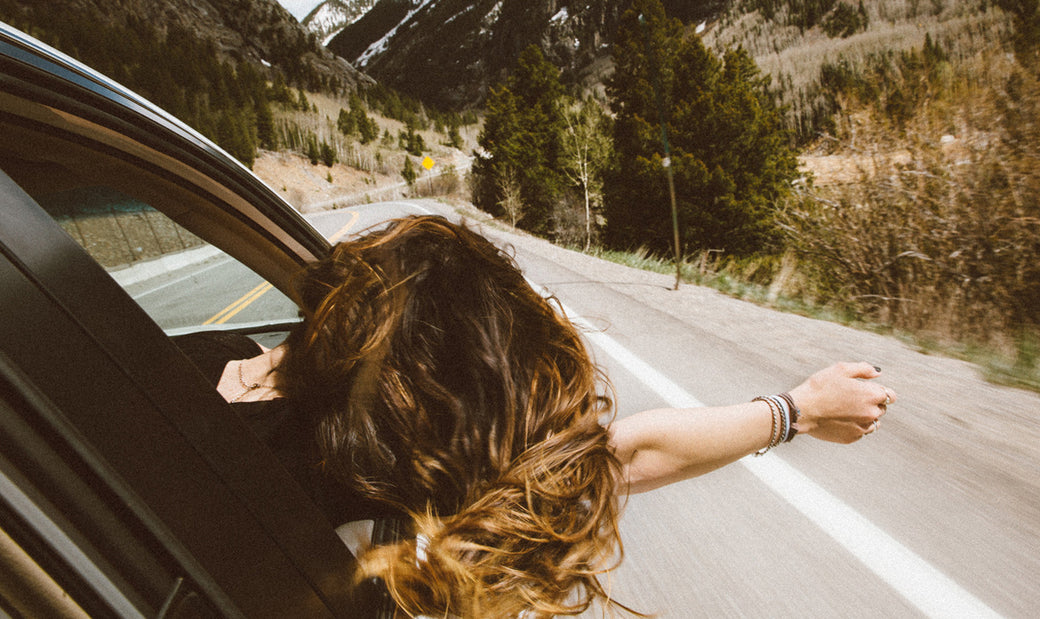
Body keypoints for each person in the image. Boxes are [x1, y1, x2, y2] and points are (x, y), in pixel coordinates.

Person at [176, 215, 895, 618]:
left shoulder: (182, 363)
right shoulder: (373, 492)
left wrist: (797, 410)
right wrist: (796, 411)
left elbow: (621, 453)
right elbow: (626, 454)